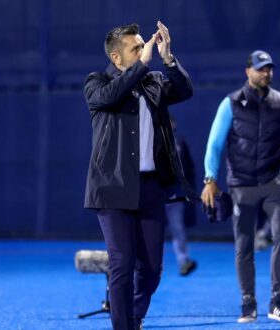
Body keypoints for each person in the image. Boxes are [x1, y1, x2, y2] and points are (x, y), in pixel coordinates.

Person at [82, 22, 193, 330]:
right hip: (112, 188)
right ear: (117, 58)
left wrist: (168, 59)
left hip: (150, 187)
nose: (145, 50)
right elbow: (110, 97)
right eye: (137, 47)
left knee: (152, 270)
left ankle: (133, 316)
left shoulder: (153, 81)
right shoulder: (97, 82)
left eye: (145, 45)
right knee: (122, 264)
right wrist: (143, 65)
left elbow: (185, 90)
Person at [201, 50, 280, 323]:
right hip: (241, 186)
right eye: (260, 69)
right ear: (247, 71)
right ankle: (248, 303)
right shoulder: (231, 104)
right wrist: (210, 178)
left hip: (273, 184)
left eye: (269, 68)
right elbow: (214, 145)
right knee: (243, 246)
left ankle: (278, 302)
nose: (265, 73)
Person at [165, 118, 198, 276]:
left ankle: (183, 261)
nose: (170, 125)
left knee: (178, 229)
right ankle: (145, 265)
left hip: (175, 195)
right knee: (150, 231)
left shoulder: (180, 141)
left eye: (172, 122)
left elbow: (189, 168)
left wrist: (189, 191)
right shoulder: (149, 139)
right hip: (154, 195)